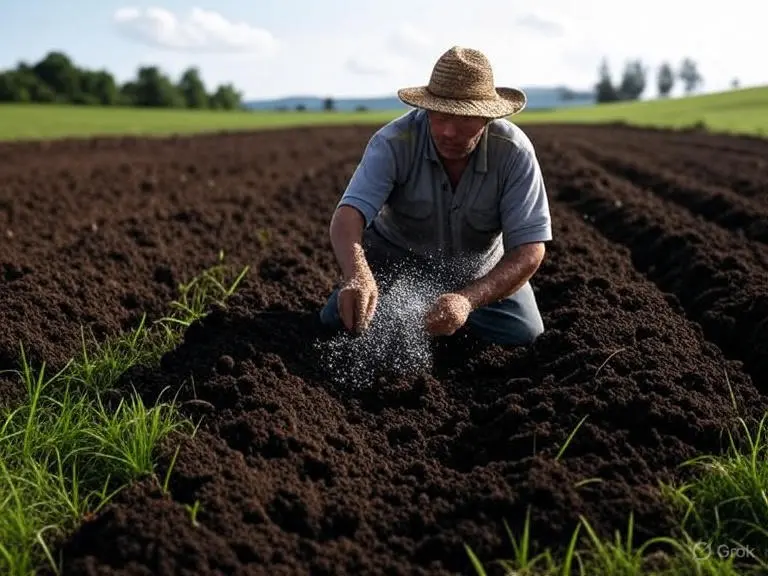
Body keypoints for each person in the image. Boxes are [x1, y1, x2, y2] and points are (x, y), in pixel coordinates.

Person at [319, 46, 552, 346]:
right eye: (440, 116)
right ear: (426, 109)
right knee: (336, 320)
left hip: (479, 272)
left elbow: (530, 250)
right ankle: (406, 313)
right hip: (397, 263)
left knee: (525, 335)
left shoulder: (514, 152)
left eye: (465, 119)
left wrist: (468, 300)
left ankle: (448, 320)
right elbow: (348, 215)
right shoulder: (393, 142)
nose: (449, 132)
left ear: (486, 117)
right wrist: (358, 274)